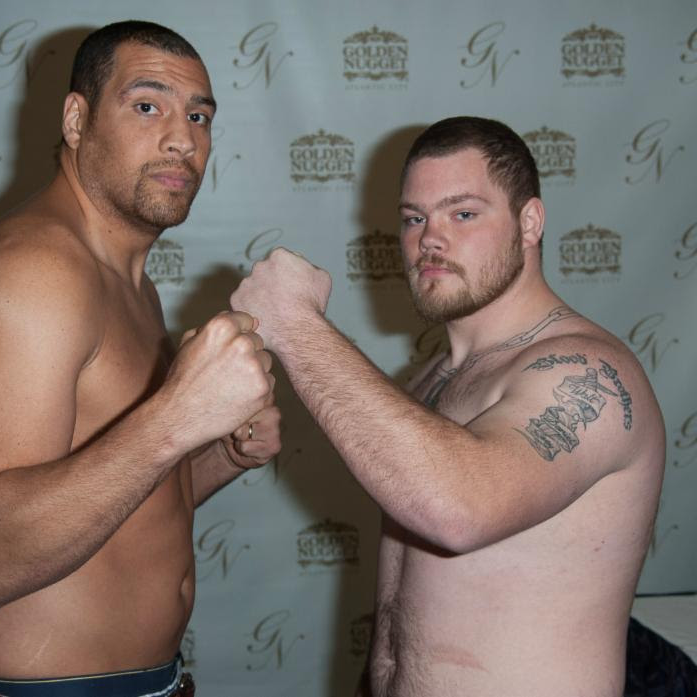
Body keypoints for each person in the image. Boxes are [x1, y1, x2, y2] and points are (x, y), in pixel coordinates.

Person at [231, 116, 665, 697]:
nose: (430, 239)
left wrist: (294, 323)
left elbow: (457, 512)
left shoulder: (588, 374)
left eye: (462, 214)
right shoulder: (431, 380)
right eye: (415, 218)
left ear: (529, 222)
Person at [0, 21, 280, 697]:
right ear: (75, 120)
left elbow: (119, 504)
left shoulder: (129, 283)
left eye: (199, 116)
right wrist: (177, 416)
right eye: (147, 106)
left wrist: (222, 454)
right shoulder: (36, 269)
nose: (182, 139)